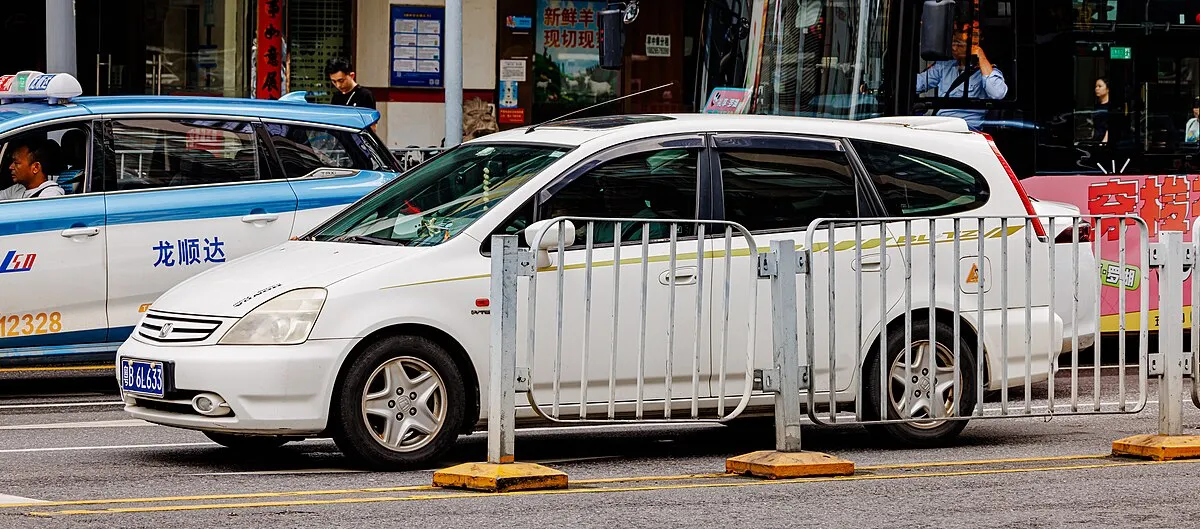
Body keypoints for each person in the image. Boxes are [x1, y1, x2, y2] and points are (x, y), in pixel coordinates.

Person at [914, 23, 1008, 130]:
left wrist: (980, 55)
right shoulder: (945, 66)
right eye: (953, 42)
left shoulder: (987, 71)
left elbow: (998, 93)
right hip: (940, 126)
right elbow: (918, 84)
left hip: (967, 129)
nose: (953, 47)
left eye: (958, 43)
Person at [1093, 77, 1111, 143]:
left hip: (1105, 141)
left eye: (1100, 86)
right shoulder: (1096, 106)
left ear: (1107, 89)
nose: (1096, 89)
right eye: (1096, 86)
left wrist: (1104, 141)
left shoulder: (1110, 106)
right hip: (1096, 140)